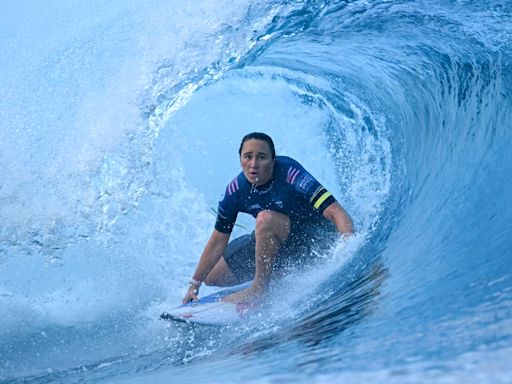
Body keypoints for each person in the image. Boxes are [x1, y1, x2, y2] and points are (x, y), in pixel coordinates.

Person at [182, 132, 353, 304]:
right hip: (277, 242)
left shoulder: (291, 173)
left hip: (311, 239)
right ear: (240, 159)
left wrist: (347, 248)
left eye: (261, 157)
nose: (253, 164)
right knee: (213, 277)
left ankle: (259, 289)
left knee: (264, 219)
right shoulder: (235, 191)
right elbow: (218, 239)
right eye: (247, 157)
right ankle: (276, 272)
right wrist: (194, 284)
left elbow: (336, 211)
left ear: (273, 160)